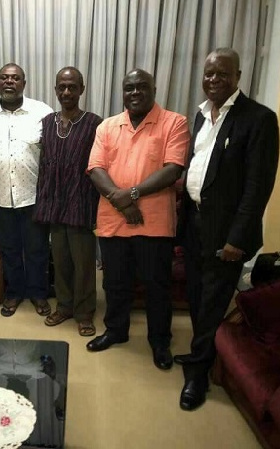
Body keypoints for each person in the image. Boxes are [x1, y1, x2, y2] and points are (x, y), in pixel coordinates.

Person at [175, 48, 279, 410]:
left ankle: (198, 375)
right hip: (195, 223)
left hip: (227, 232)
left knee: (214, 300)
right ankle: (198, 354)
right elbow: (199, 165)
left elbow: (257, 187)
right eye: (208, 75)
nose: (213, 81)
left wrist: (238, 238)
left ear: (237, 75)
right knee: (195, 294)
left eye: (221, 74)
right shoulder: (202, 116)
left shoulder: (259, 119)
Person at [86, 69, 190, 371]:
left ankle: (159, 341)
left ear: (154, 89)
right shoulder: (107, 126)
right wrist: (122, 202)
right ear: (123, 92)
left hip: (155, 223)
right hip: (112, 220)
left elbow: (173, 170)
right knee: (115, 283)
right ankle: (116, 331)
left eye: (141, 87)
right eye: (129, 88)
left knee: (156, 286)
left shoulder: (175, 122)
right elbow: (95, 169)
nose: (135, 93)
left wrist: (129, 194)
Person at [0, 63, 54, 318]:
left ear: (24, 83)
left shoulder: (42, 112)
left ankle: (38, 293)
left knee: (37, 248)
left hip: (34, 196)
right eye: (4, 78)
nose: (9, 82)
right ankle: (14, 292)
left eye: (15, 78)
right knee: (8, 248)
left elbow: (52, 156)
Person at [33, 67, 103, 336]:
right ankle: (64, 306)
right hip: (53, 203)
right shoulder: (47, 122)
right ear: (55, 89)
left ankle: (84, 312)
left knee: (84, 262)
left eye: (72, 87)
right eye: (61, 87)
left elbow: (100, 164)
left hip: (81, 202)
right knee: (60, 259)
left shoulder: (95, 123)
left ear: (81, 89)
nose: (66, 92)